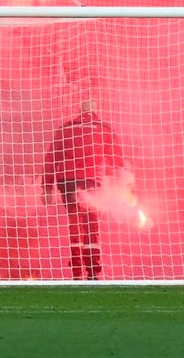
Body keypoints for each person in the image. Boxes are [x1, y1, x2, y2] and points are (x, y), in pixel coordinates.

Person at [42, 100, 124, 280]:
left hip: (67, 182)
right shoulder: (104, 129)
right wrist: (123, 183)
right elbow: (117, 159)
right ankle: (93, 270)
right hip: (91, 180)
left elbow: (51, 158)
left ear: (79, 111)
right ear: (95, 111)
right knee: (91, 224)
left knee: (75, 223)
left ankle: (77, 269)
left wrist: (46, 187)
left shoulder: (65, 129)